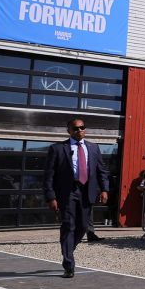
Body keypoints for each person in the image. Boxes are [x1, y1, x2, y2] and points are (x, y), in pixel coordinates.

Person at [42, 118, 109, 277]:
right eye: (75, 128)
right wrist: (51, 197)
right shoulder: (57, 149)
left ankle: (68, 248)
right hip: (67, 192)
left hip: (87, 191)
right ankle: (69, 264)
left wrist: (105, 189)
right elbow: (48, 176)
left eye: (82, 128)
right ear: (69, 131)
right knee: (68, 225)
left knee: (83, 226)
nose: (79, 131)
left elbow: (102, 171)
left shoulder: (93, 148)